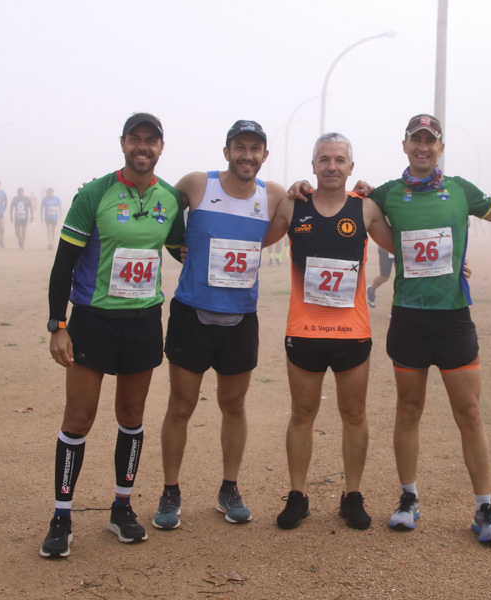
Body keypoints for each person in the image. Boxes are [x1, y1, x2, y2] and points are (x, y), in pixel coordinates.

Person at [304, 113, 491, 546]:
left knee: (469, 413)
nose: (423, 147)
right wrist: (307, 188)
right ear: (404, 146)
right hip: (409, 319)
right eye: (416, 140)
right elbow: (349, 207)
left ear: (439, 147)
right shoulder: (387, 195)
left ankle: (484, 508)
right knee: (408, 410)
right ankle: (408, 499)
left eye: (430, 140)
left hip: (453, 319)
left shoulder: (461, 190)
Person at [39, 113, 185, 559]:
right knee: (79, 418)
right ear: (123, 143)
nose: (143, 147)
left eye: (151, 141)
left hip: (142, 321)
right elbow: (63, 264)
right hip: (94, 319)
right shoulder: (95, 193)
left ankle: (122, 508)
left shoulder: (171, 199)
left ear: (161, 147)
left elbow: (183, 250)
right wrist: (57, 324)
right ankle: (62, 516)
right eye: (135, 139)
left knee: (132, 415)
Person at [153, 120, 288, 530]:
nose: (247, 155)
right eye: (240, 147)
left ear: (265, 155)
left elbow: (314, 213)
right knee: (181, 406)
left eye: (256, 149)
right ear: (227, 151)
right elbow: (162, 216)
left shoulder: (275, 195)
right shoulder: (196, 184)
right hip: (192, 313)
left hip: (240, 318)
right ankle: (170, 491)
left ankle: (229, 489)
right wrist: (184, 253)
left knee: (234, 406)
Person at [260, 133, 394, 530]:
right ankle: (297, 495)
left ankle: (352, 496)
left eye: (339, 159)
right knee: (302, 413)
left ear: (351, 167)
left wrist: (456, 261)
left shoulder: (366, 207)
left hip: (351, 333)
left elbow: (401, 242)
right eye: (324, 159)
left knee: (353, 414)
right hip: (304, 331)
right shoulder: (294, 203)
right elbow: (256, 239)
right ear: (313, 165)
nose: (332, 166)